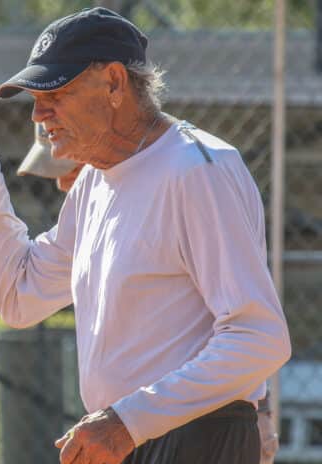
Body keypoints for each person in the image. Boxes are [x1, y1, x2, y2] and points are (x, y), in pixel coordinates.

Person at [0, 7, 291, 464]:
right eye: (35, 98)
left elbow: (258, 336)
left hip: (193, 437)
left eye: (56, 92)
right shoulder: (94, 181)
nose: (39, 114)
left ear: (116, 83)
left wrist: (128, 421)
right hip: (130, 435)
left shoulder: (199, 169)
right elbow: (20, 296)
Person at [19, 122, 284, 464]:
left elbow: (241, 330)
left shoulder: (187, 178)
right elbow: (20, 294)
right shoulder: (94, 206)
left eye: (67, 164)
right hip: (139, 428)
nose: (60, 181)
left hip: (202, 431)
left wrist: (261, 411)